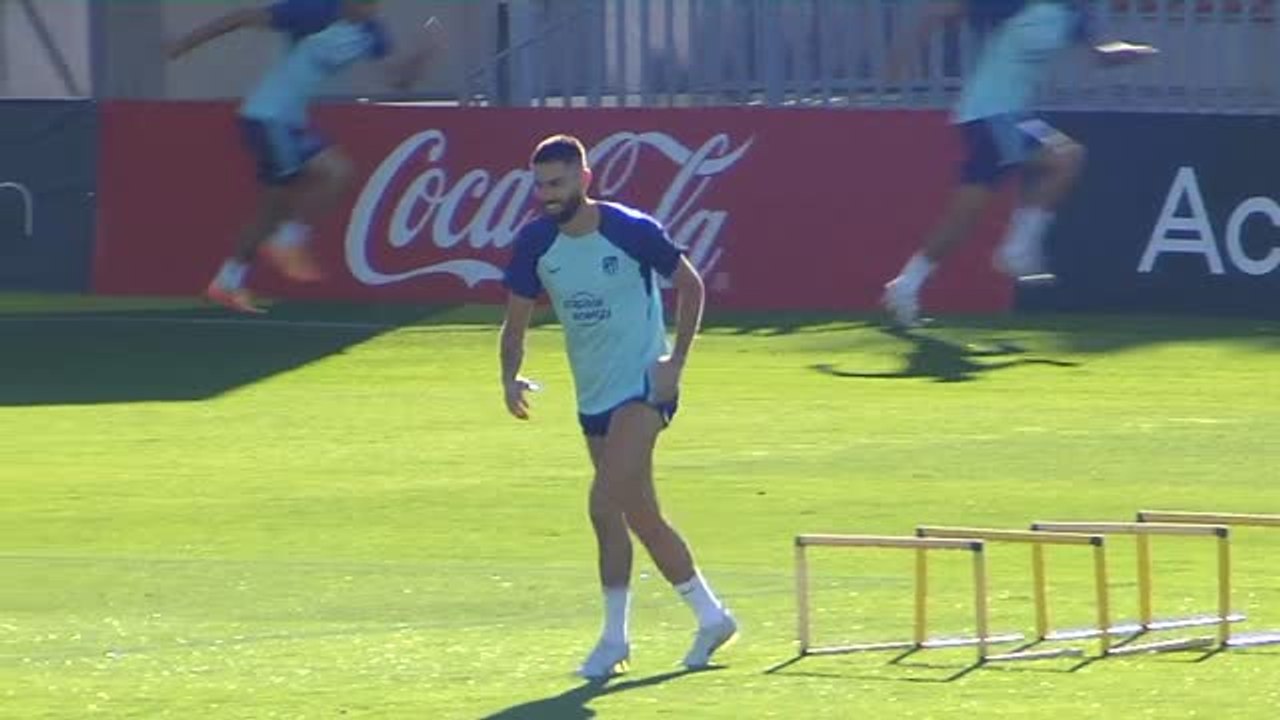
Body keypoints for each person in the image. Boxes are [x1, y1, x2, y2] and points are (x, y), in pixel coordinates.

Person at [499, 135, 737, 679]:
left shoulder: (631, 229)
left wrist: (676, 362)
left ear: (585, 179)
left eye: (558, 183)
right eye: (540, 185)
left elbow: (691, 287)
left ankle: (613, 640)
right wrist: (509, 377)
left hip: (644, 388)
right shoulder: (535, 243)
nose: (548, 195)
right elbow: (514, 324)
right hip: (594, 397)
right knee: (640, 515)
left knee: (603, 504)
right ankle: (712, 616)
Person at [882, 0, 1157, 327]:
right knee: (1066, 157)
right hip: (990, 113)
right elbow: (941, 11)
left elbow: (1102, 54)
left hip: (1006, 116)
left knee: (963, 217)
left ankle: (905, 285)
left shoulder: (1074, 13)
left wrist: (1134, 51)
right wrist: (901, 59)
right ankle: (1017, 250)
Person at [167, 0, 445, 313]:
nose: (373, 7)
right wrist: (184, 44)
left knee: (272, 210)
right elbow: (242, 17)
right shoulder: (313, 10)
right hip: (268, 117)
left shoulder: (372, 32)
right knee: (336, 172)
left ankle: (226, 282)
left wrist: (427, 52)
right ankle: (287, 241)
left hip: (287, 121)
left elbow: (399, 80)